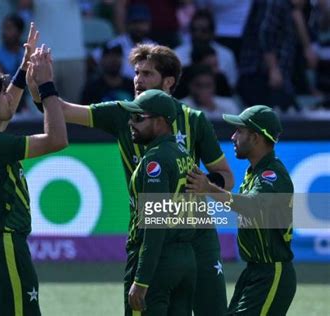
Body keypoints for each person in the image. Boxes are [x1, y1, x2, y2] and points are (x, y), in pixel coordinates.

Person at [28, 43, 233, 316]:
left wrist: (207, 184)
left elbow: (227, 176)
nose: (138, 79)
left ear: (168, 82)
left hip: (196, 234)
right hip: (151, 233)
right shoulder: (121, 112)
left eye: (147, 74)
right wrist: (39, 83)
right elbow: (59, 110)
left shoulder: (194, 120)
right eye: (136, 72)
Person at [0, 42, 68, 315]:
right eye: (3, 95)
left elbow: (0, 116)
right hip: (5, 242)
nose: (11, 98)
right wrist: (46, 86)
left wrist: (23, 67)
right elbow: (57, 140)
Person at [187, 105, 296, 315]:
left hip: (272, 273)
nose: (233, 136)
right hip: (254, 272)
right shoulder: (254, 172)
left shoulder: (272, 175)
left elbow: (252, 207)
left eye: (239, 131)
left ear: (255, 137)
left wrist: (208, 188)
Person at [119, 89, 197, 315]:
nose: (131, 123)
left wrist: (142, 280)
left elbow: (155, 224)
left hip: (158, 262)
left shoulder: (155, 160)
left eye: (138, 118)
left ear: (161, 122)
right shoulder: (182, 153)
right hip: (186, 260)